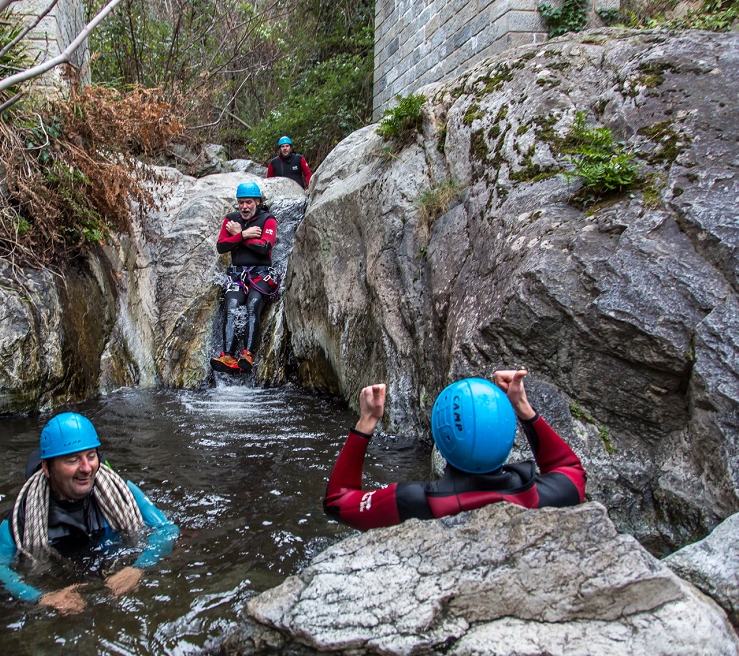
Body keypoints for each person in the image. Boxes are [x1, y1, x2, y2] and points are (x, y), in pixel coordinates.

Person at [324, 371, 586, 530]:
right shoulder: (542, 495)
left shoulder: (412, 502)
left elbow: (337, 501)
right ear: (508, 434)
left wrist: (365, 423)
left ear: (442, 438)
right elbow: (570, 469)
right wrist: (523, 408)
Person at [0, 412, 179, 612]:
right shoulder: (22, 517)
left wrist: (138, 568)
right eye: (72, 460)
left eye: (91, 456)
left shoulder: (123, 492)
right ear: (47, 468)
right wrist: (41, 597)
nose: (87, 468)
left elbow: (167, 530)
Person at [210, 181, 279, 375]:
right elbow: (222, 247)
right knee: (231, 307)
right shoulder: (230, 220)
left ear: (257, 201)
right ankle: (228, 356)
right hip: (237, 273)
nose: (244, 207)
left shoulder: (268, 219)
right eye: (241, 202)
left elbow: (265, 247)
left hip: (261, 272)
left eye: (248, 202)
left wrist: (240, 235)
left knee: (252, 305)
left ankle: (248, 354)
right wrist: (244, 235)